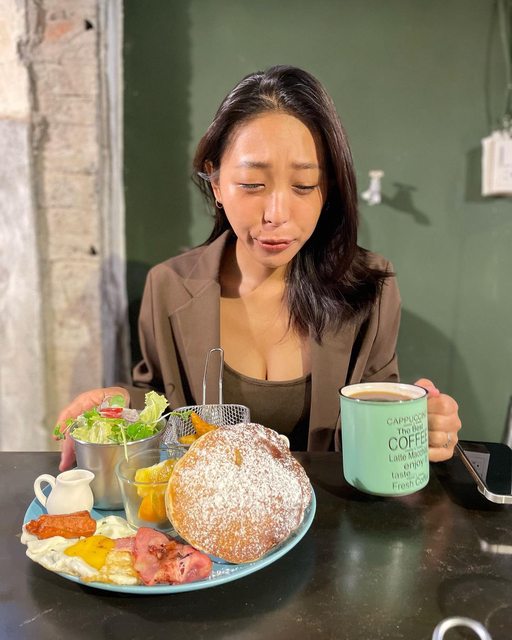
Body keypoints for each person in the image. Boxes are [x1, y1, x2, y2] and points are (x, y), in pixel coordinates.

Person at [56, 65, 461, 471]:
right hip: (212, 510)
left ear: (329, 189)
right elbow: (162, 403)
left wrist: (423, 427)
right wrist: (121, 404)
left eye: (304, 186)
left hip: (331, 510)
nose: (276, 214)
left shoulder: (371, 289)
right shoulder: (170, 286)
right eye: (252, 184)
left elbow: (384, 417)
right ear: (216, 183)